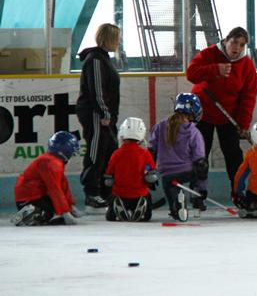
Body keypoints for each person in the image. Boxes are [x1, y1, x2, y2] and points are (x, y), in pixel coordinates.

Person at [186, 27, 257, 192]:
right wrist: (215, 69)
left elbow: (249, 96)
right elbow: (191, 74)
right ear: (226, 41)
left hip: (228, 117)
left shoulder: (246, 65)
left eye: (241, 45)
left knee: (234, 156)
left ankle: (238, 191)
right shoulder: (209, 54)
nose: (237, 48)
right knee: (200, 155)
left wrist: (243, 123)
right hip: (202, 114)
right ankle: (198, 192)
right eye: (234, 42)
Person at [76, 23, 121, 209]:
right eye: (117, 38)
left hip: (107, 114)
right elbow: (97, 89)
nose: (119, 42)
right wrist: (104, 112)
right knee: (97, 150)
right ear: (108, 38)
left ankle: (105, 190)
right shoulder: (95, 59)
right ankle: (91, 192)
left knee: (110, 150)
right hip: (96, 113)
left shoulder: (104, 58)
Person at [149, 93, 208, 222]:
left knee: (171, 192)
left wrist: (149, 173)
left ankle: (176, 206)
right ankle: (196, 198)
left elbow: (151, 151)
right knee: (199, 171)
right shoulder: (194, 132)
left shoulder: (160, 126)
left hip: (167, 174)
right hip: (188, 172)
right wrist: (203, 188)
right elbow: (200, 161)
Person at [11, 131, 84, 226]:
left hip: (37, 195)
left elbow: (63, 184)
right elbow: (55, 189)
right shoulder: (50, 162)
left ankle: (36, 211)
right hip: (28, 198)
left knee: (55, 210)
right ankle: (25, 215)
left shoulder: (55, 161)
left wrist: (70, 206)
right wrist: (65, 212)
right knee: (48, 213)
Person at [104, 117, 158, 222]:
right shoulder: (145, 154)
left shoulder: (116, 154)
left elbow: (108, 179)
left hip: (119, 193)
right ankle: (142, 210)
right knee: (148, 204)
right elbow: (151, 177)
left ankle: (115, 208)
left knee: (111, 201)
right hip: (140, 194)